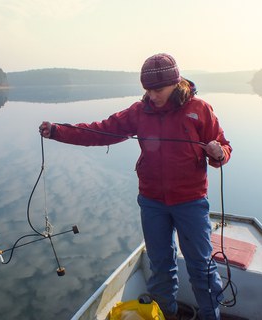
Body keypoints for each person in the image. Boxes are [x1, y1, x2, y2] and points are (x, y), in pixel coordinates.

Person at [39, 53, 232, 320]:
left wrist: (218, 153)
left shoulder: (199, 110)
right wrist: (58, 131)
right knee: (160, 265)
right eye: (147, 90)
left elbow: (223, 149)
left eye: (158, 89)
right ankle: (164, 315)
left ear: (176, 83)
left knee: (201, 267)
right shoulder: (139, 112)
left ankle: (211, 316)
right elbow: (100, 131)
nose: (152, 95)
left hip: (191, 202)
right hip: (152, 202)